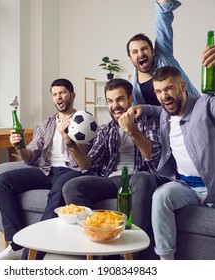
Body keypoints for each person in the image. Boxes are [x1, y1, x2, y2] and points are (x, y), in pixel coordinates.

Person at [131, 44, 215, 259]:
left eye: (169, 89)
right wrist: (144, 108)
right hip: (187, 187)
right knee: (160, 197)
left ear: (182, 86)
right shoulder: (165, 114)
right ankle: (167, 263)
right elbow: (159, 108)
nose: (163, 96)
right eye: (158, 91)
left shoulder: (206, 106)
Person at [62, 78, 166, 259]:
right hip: (111, 180)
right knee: (71, 186)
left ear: (130, 99)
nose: (115, 106)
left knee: (142, 178)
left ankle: (134, 254)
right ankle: (98, 243)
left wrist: (131, 130)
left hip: (139, 178)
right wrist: (70, 142)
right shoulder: (106, 129)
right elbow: (88, 164)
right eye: (110, 101)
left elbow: (153, 156)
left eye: (119, 99)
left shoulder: (148, 122)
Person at [0, 78, 91, 260]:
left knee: (57, 192)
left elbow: (86, 161)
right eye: (55, 94)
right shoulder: (46, 125)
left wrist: (68, 137)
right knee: (2, 181)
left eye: (63, 93)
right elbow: (31, 157)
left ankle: (32, 255)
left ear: (72, 95)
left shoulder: (84, 121)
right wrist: (20, 147)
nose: (59, 97)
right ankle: (16, 243)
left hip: (71, 171)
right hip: (46, 170)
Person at [127, 0, 200, 106]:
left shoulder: (163, 55)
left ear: (153, 52)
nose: (141, 54)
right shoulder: (132, 88)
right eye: (135, 52)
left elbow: (162, 22)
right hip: (166, 122)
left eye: (144, 48)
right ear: (130, 58)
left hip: (195, 113)